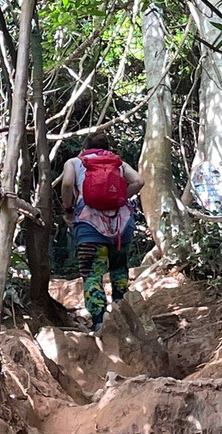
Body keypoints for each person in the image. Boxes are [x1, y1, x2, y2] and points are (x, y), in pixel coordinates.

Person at [60, 131, 144, 332]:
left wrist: (69, 208)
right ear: (108, 148)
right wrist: (122, 197)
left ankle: (99, 322)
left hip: (89, 227)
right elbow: (139, 181)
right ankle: (122, 315)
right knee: (119, 269)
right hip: (120, 228)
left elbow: (67, 183)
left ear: (84, 147)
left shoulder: (75, 162)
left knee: (92, 273)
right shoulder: (118, 163)